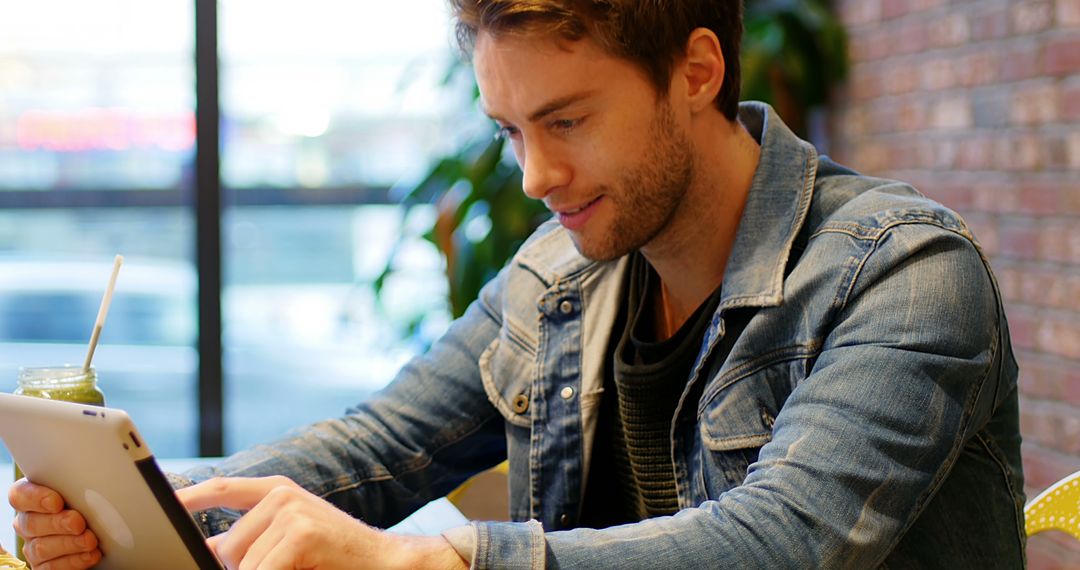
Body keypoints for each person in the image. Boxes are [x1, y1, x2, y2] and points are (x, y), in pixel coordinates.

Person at [10, 1, 1026, 568]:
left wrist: (434, 562)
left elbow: (780, 545)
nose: (534, 177)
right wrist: (147, 505)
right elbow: (377, 448)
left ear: (698, 71)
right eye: (509, 131)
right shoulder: (559, 277)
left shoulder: (903, 275)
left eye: (568, 120)